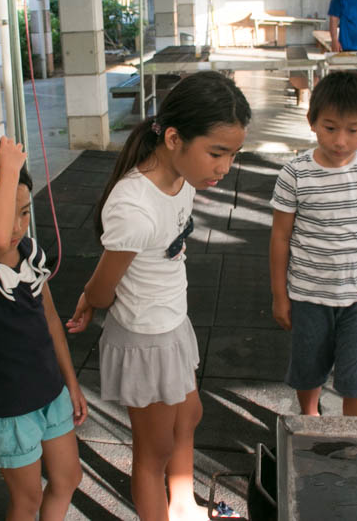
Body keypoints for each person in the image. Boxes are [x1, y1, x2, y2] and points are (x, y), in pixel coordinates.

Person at [66, 71, 252, 520]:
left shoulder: (183, 178)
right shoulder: (133, 207)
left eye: (232, 155)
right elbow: (108, 286)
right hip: (146, 339)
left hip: (171, 323)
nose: (224, 167)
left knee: (189, 416)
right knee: (154, 451)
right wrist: (91, 298)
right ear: (173, 138)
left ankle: (184, 501)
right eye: (216, 153)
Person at [0, 133, 86, 520]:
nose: (17, 226)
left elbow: (51, 319)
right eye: (3, 213)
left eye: (24, 212)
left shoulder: (30, 255)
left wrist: (71, 383)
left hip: (50, 393)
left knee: (68, 478)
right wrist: (8, 169)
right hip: (9, 412)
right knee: (27, 502)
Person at [269, 71, 357, 418]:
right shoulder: (295, 174)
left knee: (356, 377)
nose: (341, 140)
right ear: (311, 122)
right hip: (308, 294)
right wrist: (280, 295)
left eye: (353, 129)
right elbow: (280, 236)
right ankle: (310, 421)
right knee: (307, 369)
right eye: (330, 128)